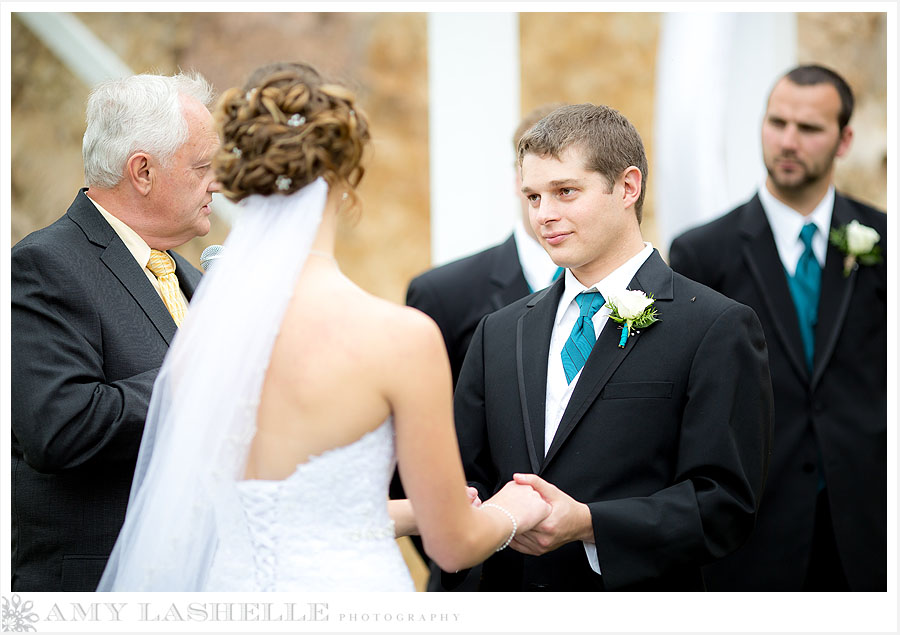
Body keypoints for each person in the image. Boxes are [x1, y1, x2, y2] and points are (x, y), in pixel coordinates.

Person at [97, 62, 550, 592]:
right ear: (344, 179)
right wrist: (513, 509)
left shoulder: (202, 339)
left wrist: (401, 512)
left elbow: (261, 514)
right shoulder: (399, 338)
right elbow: (453, 544)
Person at [451, 103, 774, 591]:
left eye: (565, 192)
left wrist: (588, 523)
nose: (545, 216)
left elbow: (724, 504)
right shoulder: (500, 330)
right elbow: (466, 479)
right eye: (533, 197)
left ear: (628, 187)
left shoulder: (715, 326)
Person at [669, 64, 886, 591]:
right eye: (777, 122)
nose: (788, 141)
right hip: (753, 530)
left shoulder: (886, 239)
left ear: (844, 139)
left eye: (809, 129)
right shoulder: (701, 252)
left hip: (870, 527)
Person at [10, 72, 218, 592]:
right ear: (142, 171)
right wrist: (202, 378)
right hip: (96, 591)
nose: (217, 183)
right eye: (202, 167)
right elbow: (60, 425)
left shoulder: (187, 275)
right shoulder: (44, 264)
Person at [398, 103, 564, 591]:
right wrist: (456, 552)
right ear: (519, 178)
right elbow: (413, 446)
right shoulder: (444, 293)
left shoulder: (642, 296)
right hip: (485, 574)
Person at [406, 103, 566, 387]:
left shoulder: (635, 286)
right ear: (520, 180)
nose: (552, 207)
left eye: (566, 189)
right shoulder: (442, 294)